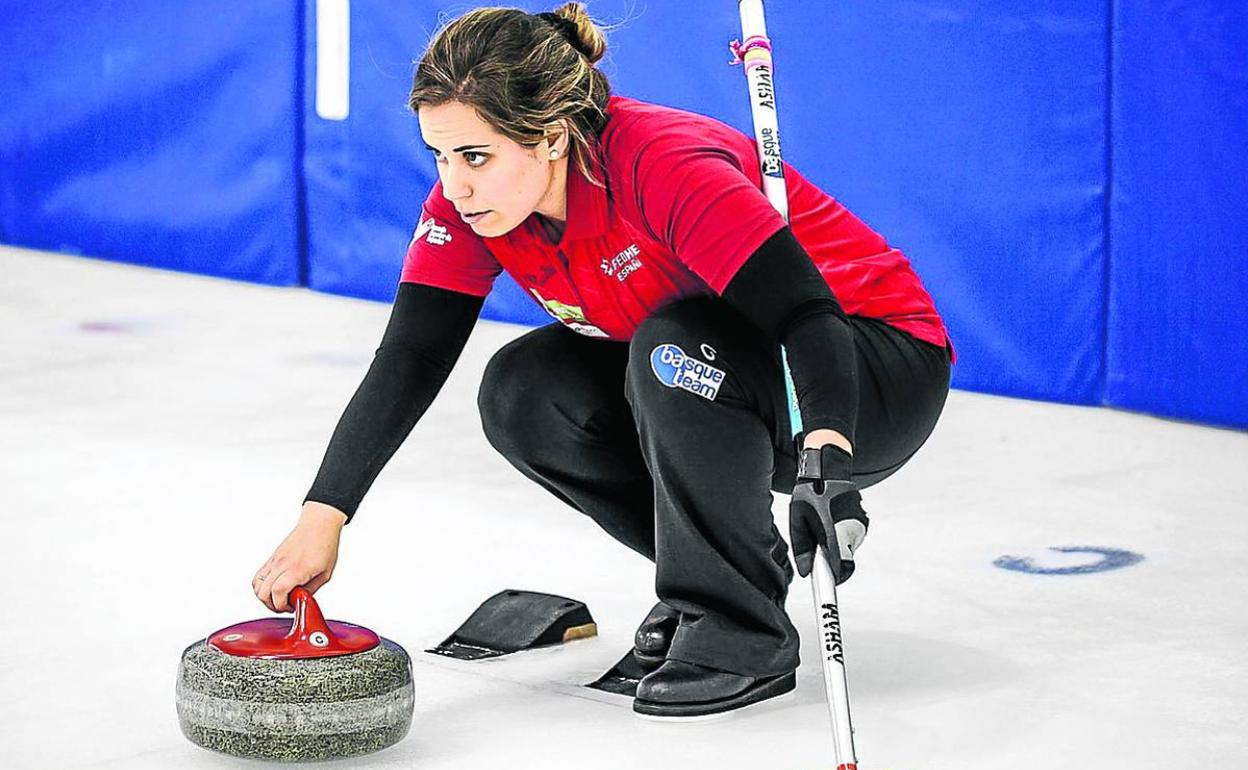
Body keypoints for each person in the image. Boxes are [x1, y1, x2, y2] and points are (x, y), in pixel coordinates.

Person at [252, 2, 953, 719]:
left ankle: (741, 631)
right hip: (726, 370)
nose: (454, 184)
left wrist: (826, 452)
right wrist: (324, 514)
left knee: (671, 348)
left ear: (552, 137)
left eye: (474, 156)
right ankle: (726, 579)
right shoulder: (476, 206)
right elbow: (411, 356)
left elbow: (807, 314)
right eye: (439, 154)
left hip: (867, 369)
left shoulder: (663, 163)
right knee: (524, 390)